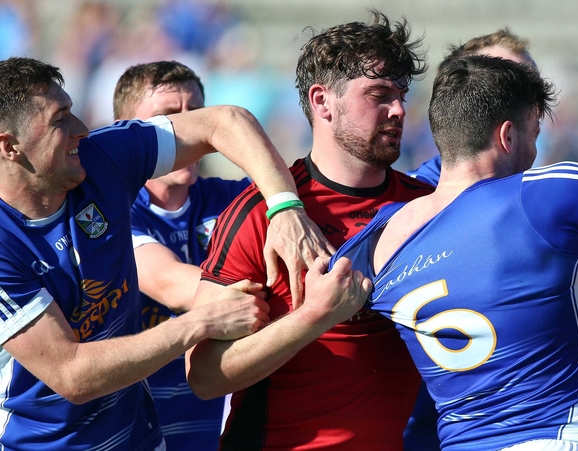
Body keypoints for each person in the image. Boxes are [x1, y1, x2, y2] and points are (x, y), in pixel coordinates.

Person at [330, 54, 578, 451]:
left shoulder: (381, 235)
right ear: (507, 136)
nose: (536, 151)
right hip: (555, 437)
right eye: (534, 133)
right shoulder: (543, 192)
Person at [0, 56, 354, 450]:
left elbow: (225, 121)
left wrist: (285, 208)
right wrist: (203, 321)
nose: (81, 129)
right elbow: (72, 375)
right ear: (9, 146)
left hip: (145, 438)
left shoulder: (103, 159)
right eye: (59, 119)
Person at [185, 11, 433, 450]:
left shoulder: (425, 206)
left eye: (401, 94)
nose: (398, 110)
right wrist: (312, 317)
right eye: (378, 94)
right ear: (323, 102)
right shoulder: (259, 215)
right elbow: (204, 376)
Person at [116, 61, 251, 450]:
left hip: (216, 429)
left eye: (197, 115)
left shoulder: (235, 199)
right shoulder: (109, 211)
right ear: (122, 133)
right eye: (168, 117)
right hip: (134, 430)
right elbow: (172, 285)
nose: (187, 129)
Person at [407, 28, 535, 187]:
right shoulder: (413, 195)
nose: (534, 108)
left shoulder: (537, 196)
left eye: (533, 91)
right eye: (502, 85)